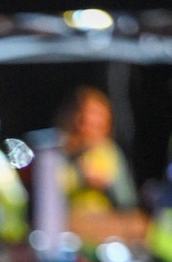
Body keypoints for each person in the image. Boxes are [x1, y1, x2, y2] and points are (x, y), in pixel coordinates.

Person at [56, 86, 138, 214]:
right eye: (84, 116)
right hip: (66, 221)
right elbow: (49, 191)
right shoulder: (58, 151)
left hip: (104, 222)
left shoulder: (109, 152)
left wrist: (107, 184)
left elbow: (127, 199)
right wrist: (81, 176)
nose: (89, 123)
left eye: (97, 117)